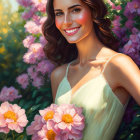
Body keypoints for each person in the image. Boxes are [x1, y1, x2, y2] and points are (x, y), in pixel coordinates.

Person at [42, 0, 140, 139]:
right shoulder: (59, 76)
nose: (66, 22)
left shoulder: (118, 65)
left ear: (93, 11)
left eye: (75, 10)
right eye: (59, 13)